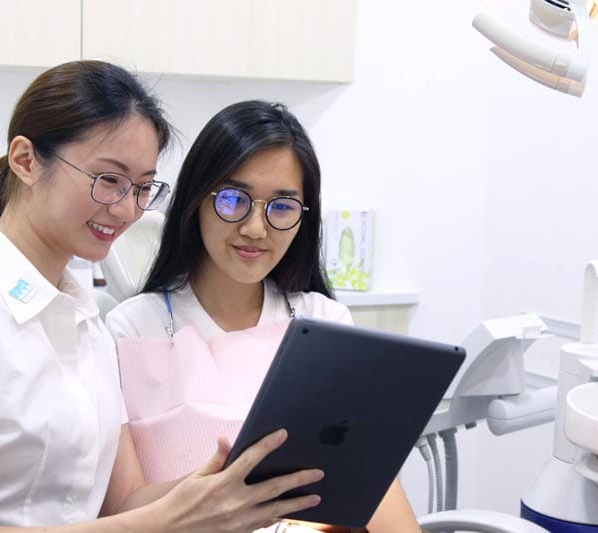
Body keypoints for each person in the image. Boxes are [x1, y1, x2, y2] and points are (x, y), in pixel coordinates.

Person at [0, 62, 323, 533]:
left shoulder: (86, 322)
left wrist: (232, 488)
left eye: (142, 188)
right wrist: (169, 520)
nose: (127, 209)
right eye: (109, 179)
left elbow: (125, 501)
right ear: (26, 161)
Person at [105, 100, 420, 532]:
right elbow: (120, 510)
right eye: (233, 199)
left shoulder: (324, 321)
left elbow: (368, 480)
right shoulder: (130, 329)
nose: (255, 228)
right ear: (196, 200)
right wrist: (221, 494)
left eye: (282, 206)